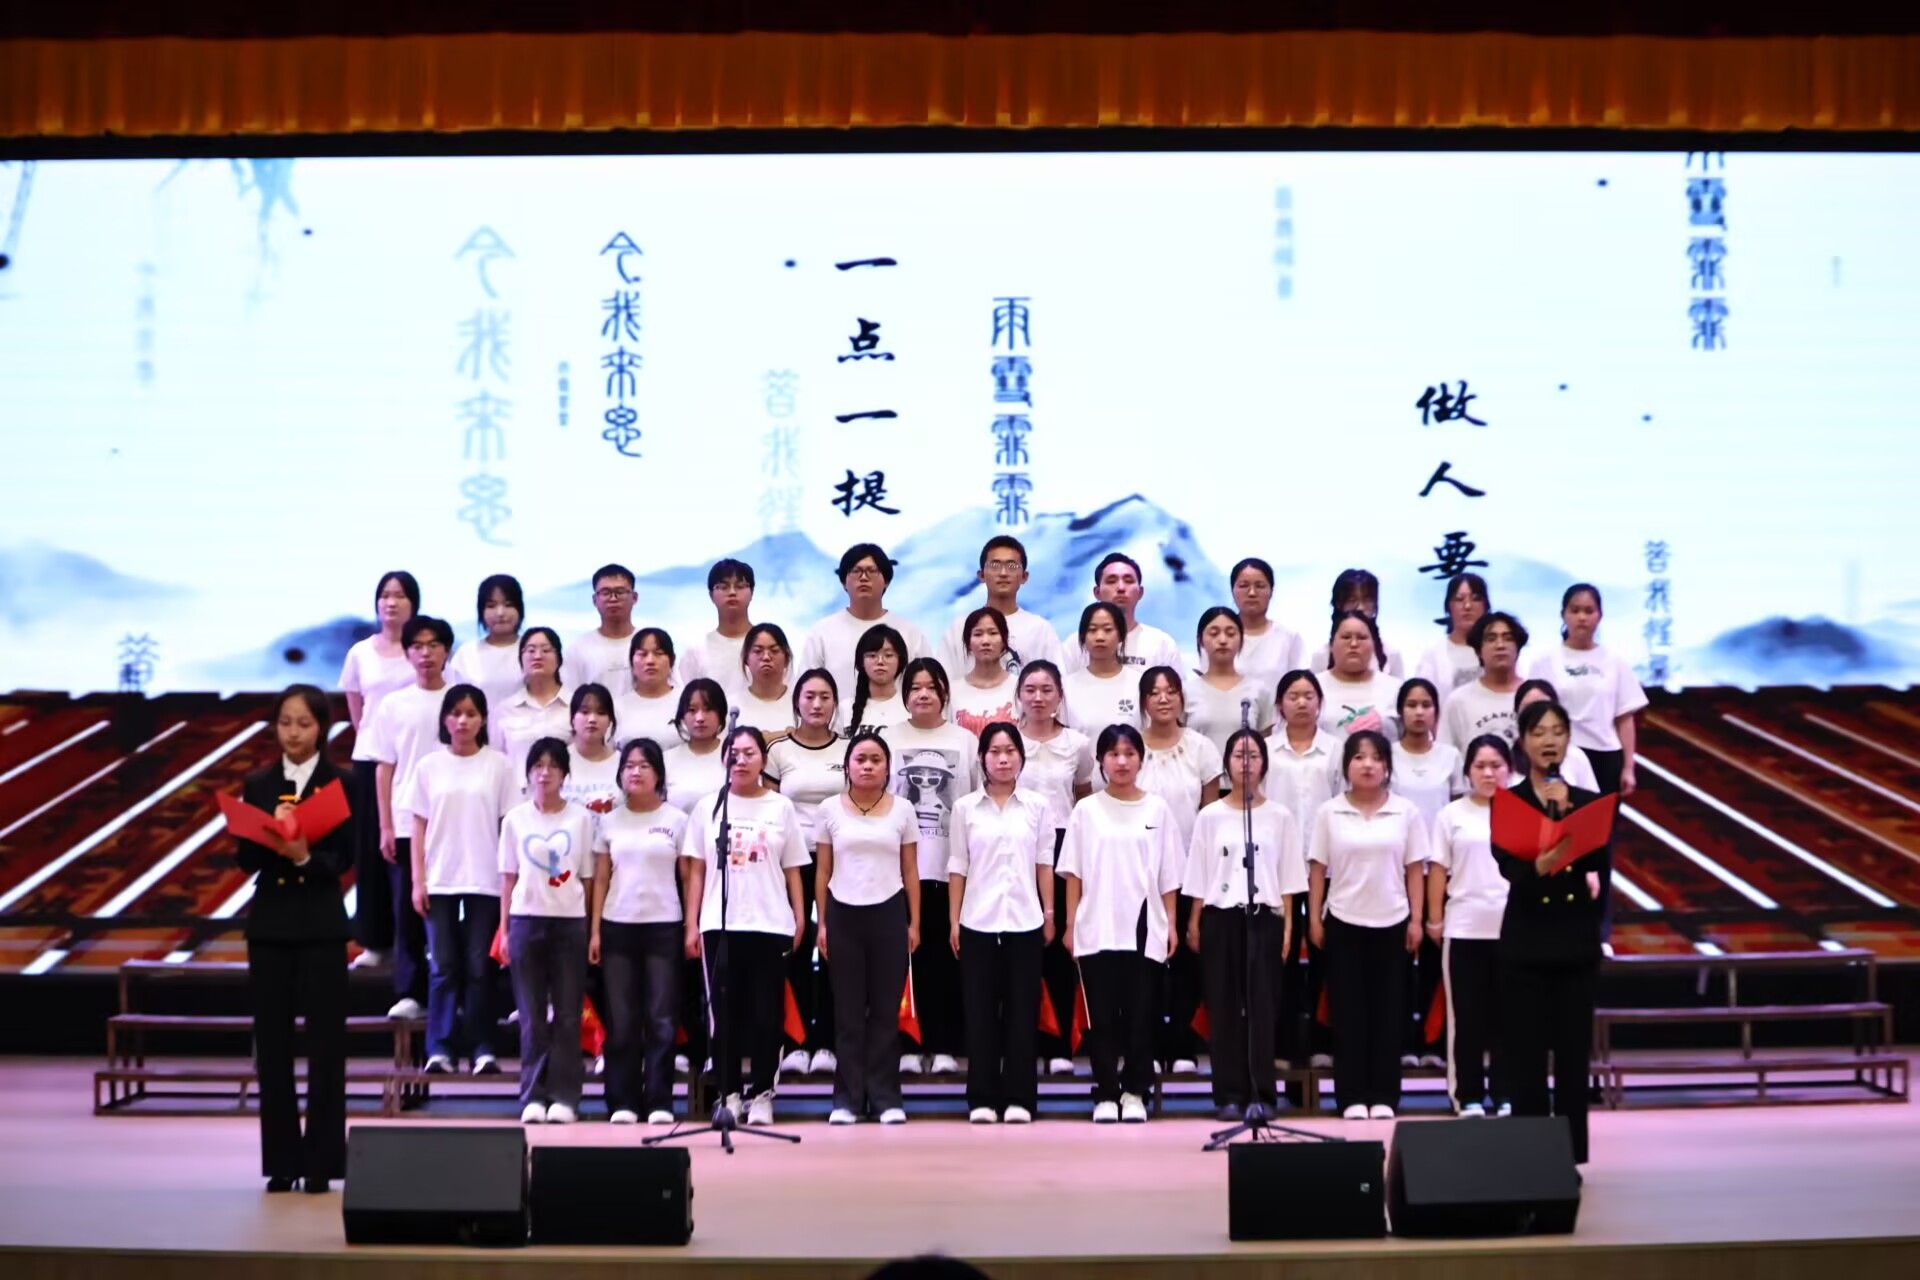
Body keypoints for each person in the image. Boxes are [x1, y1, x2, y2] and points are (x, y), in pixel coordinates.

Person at [236, 685, 352, 1194]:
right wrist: (270, 839)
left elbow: (345, 856)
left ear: (321, 727)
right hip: (270, 927)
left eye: (304, 723)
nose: (294, 733)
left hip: (321, 926)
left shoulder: (341, 783)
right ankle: (282, 1161)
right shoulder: (259, 783)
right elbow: (245, 858)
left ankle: (322, 1161)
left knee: (326, 1047)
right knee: (274, 1047)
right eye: (285, 722)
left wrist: (304, 854)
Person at [1494, 700, 1611, 1164]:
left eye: (1558, 732)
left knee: (1571, 1058)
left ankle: (1568, 1156)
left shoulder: (1586, 801)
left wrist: (1565, 816)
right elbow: (1510, 868)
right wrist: (1544, 857)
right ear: (1523, 742)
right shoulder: (1509, 801)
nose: (1549, 740)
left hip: (1574, 942)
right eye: (1539, 732)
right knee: (1525, 1057)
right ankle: (1531, 1157)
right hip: (1526, 942)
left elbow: (1598, 861)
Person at [680, 726, 809, 1126]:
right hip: (720, 925)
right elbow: (696, 871)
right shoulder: (708, 807)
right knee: (724, 1015)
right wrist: (691, 924)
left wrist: (799, 917)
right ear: (724, 760)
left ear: (763, 761)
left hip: (770, 923)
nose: (740, 760)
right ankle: (729, 1093)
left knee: (767, 1014)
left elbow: (792, 868)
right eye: (733, 753)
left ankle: (763, 1094)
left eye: (749, 753)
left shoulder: (780, 807)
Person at [1057, 724, 1184, 1124]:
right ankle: (1106, 1093)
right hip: (1096, 927)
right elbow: (1074, 873)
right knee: (1102, 1018)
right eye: (1113, 754)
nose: (1122, 761)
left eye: (1130, 753)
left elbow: (1168, 874)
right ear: (1100, 761)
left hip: (1145, 929)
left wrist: (1171, 924)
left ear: (1141, 760)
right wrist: (1071, 924)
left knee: (1142, 1015)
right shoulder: (1086, 810)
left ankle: (1135, 1092)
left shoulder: (1157, 809)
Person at [1183, 729, 1305, 1121]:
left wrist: (1287, 928)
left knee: (1262, 1009)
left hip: (1264, 918)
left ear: (1264, 764)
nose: (1246, 763)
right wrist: (1195, 922)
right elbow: (1199, 875)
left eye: (1253, 756)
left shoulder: (1279, 816)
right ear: (1226, 764)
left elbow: (1289, 879)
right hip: (1220, 917)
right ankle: (1228, 1095)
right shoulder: (1210, 816)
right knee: (1222, 1007)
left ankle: (1262, 1093)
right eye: (1238, 755)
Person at [1308, 730, 1428, 1120]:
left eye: (1376, 757)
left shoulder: (1406, 812)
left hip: (1393, 921)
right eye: (1359, 757)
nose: (1368, 765)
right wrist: (1315, 918)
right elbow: (1318, 870)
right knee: (1348, 1013)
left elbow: (1415, 869)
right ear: (1346, 766)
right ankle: (1351, 1097)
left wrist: (1416, 919)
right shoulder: (1329, 812)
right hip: (1343, 921)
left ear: (1387, 767)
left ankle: (1384, 1096)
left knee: (1388, 1013)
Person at [403, 684, 518, 1075]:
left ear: (483, 719)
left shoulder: (499, 765)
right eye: (455, 713)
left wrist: (511, 882)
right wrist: (418, 881)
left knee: (479, 967)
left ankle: (482, 1047)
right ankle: (440, 1047)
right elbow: (417, 826)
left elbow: (509, 825)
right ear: (444, 720)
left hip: (486, 880)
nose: (463, 721)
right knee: (443, 967)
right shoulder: (428, 767)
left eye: (471, 713)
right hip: (440, 879)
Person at [949, 723, 1057, 1124]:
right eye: (995, 752)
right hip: (977, 921)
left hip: (1025, 922)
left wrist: (1049, 913)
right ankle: (981, 1097)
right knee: (979, 1013)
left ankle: (1020, 1099)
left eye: (1010, 751)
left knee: (1022, 1014)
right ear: (982, 758)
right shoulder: (965, 808)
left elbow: (1044, 863)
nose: (1003, 759)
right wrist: (954, 921)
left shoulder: (1037, 806)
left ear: (1021, 758)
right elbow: (957, 866)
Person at [816, 731, 921, 1124]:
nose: (867, 766)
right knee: (847, 1012)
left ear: (888, 768)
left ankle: (885, 1098)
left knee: (884, 1012)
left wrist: (914, 921)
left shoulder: (903, 810)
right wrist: (822, 923)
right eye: (860, 759)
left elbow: (910, 869)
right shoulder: (829, 809)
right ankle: (847, 1099)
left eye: (876, 760)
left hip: (889, 913)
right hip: (842, 914)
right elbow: (823, 870)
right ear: (847, 766)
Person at [881, 659, 979, 1075]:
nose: (923, 694)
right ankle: (906, 1046)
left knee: (947, 961)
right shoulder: (889, 738)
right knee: (904, 963)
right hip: (899, 872)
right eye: (915, 687)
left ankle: (943, 1047)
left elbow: (975, 803)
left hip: (950, 871)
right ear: (905, 695)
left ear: (944, 693)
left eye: (931, 687)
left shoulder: (965, 741)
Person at [497, 737, 596, 1125]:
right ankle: (533, 1095)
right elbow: (508, 878)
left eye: (553, 766)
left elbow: (587, 877)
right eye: (538, 766)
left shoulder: (580, 819)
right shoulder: (515, 819)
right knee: (532, 1015)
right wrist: (505, 931)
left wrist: (590, 928)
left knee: (568, 1015)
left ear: (565, 774)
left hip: (569, 922)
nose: (545, 773)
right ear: (528, 774)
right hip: (525, 919)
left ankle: (565, 1097)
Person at [591, 738, 688, 1125]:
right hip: (617, 925)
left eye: (644, 765)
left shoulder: (676, 820)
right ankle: (622, 1101)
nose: (636, 772)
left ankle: (660, 1100)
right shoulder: (609, 821)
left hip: (664, 926)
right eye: (629, 766)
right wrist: (595, 931)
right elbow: (600, 879)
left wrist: (691, 925)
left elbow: (687, 878)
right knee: (622, 1019)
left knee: (662, 1018)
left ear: (658, 774)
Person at [359, 613, 451, 1020]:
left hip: (454, 823)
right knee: (407, 910)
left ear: (447, 651)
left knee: (452, 912)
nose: (425, 653)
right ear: (407, 653)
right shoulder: (394, 705)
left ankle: (454, 994)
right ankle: (410, 992)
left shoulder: (462, 702)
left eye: (433, 645)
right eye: (417, 646)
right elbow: (384, 768)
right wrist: (384, 825)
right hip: (403, 820)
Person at [1136, 666, 1223, 1075]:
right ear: (1143, 702)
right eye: (1155, 692)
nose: (1164, 698)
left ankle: (1183, 1045)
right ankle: (1148, 1045)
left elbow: (1212, 816)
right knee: (1146, 963)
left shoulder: (1201, 748)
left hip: (1191, 870)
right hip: (1140, 873)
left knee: (1189, 961)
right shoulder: (1130, 747)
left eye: (1171, 691)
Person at [1425, 734, 1513, 1117]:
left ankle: (1508, 1093)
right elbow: (1437, 870)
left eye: (1496, 765)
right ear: (1467, 773)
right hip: (1464, 929)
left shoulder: (1522, 811)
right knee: (1466, 1018)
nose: (1489, 773)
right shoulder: (1451, 815)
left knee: (1510, 1017)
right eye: (1480, 766)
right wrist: (1434, 918)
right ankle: (1468, 1095)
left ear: (1510, 770)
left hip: (1512, 930)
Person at [1013, 661, 1094, 1075]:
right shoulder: (1007, 741)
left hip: (1064, 847)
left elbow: (1083, 798)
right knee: (1021, 950)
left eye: (1047, 690)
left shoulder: (1078, 744)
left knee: (1062, 948)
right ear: (1019, 696)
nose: (1039, 697)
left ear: (1060, 695)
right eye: (1030, 689)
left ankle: (1061, 1045)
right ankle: (1024, 1043)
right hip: (1017, 846)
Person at [765, 670, 846, 1074]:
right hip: (791, 862)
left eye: (825, 697)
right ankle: (795, 1042)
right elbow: (769, 808)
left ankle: (828, 1042)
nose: (817, 704)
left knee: (835, 949)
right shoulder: (779, 751)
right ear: (796, 701)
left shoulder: (848, 748)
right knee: (793, 947)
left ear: (835, 703)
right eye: (809, 696)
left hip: (840, 860)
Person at [1264, 668, 1343, 1072]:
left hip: (1325, 869)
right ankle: (1282, 1046)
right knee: (1281, 961)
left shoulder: (1336, 750)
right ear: (1279, 705)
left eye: (1308, 695)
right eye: (1292, 696)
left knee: (1325, 959)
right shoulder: (1266, 750)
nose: (1301, 702)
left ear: (1320, 703)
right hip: (1276, 868)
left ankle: (1322, 1042)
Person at [340, 570, 418, 969]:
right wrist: (377, 743)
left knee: (412, 854)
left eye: (400, 595)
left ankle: (415, 944)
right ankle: (375, 942)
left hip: (414, 762)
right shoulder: (360, 653)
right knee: (372, 852)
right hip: (372, 760)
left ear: (414, 604)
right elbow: (358, 711)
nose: (391, 602)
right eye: (385, 595)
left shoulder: (422, 651)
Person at [1390, 677, 1458, 1070]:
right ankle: (1401, 1042)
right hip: (1394, 871)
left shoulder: (1450, 757)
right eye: (1411, 705)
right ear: (1400, 711)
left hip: (1441, 871)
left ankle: (1433, 1043)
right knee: (1397, 964)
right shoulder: (1387, 756)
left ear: (1436, 711)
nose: (1418, 712)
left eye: (1426, 705)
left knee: (1436, 962)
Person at [1527, 584, 1649, 796]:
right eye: (1575, 610)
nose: (1582, 617)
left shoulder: (1615, 661)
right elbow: (1532, 717)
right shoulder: (1543, 661)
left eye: (1589, 611)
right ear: (1563, 615)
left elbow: (1624, 718)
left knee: (1602, 817)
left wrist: (1628, 768)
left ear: (1599, 616)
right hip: (1560, 756)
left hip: (1606, 756)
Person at [800, 543, 929, 708]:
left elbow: (930, 684)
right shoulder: (822, 632)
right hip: (839, 723)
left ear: (887, 581)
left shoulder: (909, 632)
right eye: (856, 571)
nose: (863, 577)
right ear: (843, 582)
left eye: (871, 571)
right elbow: (804, 689)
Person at [935, 535, 1064, 678]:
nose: (1003, 573)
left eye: (1012, 566)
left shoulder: (1040, 630)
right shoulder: (959, 628)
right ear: (981, 575)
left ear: (1024, 576)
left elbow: (1057, 683)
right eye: (995, 566)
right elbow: (943, 682)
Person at [1187, 606, 1275, 755]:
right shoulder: (1186, 692)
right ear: (1200, 640)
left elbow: (1265, 748)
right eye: (1214, 633)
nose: (1222, 640)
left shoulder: (1259, 691)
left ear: (1241, 639)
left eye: (1230, 634)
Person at [1439, 611, 1528, 752]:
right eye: (1491, 639)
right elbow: (1446, 756)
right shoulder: (1458, 701)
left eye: (1508, 638)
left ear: (1518, 648)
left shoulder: (1535, 696)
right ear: (1478, 650)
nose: (1500, 645)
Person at [1084, 552, 1181, 672]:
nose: (1121, 588)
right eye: (1111, 581)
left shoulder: (1162, 645)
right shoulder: (1077, 645)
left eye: (1128, 581)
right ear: (1097, 592)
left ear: (1140, 592)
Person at [676, 558, 758, 701]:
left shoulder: (769, 646)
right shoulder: (696, 651)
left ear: (752, 592)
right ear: (711, 595)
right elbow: (686, 702)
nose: (732, 592)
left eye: (740, 586)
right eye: (723, 587)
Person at [448, 573, 529, 714]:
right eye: (491, 606)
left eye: (508, 605)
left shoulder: (533, 650)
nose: (500, 613)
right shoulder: (467, 653)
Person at [1319, 611, 1403, 742]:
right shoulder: (1313, 687)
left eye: (1362, 638)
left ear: (1373, 645)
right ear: (1331, 645)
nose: (1353, 644)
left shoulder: (1396, 689)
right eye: (1346, 637)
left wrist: (1386, 726)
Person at [494, 627, 569, 773]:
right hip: (517, 787)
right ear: (521, 660)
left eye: (546, 650)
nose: (538, 656)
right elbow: (495, 761)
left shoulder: (575, 706)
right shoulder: (504, 709)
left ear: (559, 659)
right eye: (531, 650)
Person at [1230, 557, 1305, 698]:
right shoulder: (1217, 637)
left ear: (1271, 591)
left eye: (1260, 586)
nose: (1252, 593)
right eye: (1244, 586)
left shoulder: (1288, 638)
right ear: (1232, 590)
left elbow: (1300, 687)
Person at [1307, 569, 1405, 676]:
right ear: (1338, 605)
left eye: (1367, 600)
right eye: (1352, 600)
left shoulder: (1392, 655)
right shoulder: (1321, 656)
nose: (1360, 608)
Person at [1062, 602, 1139, 734]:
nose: (1100, 637)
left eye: (1108, 630)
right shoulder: (1066, 687)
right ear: (1082, 637)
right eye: (1092, 630)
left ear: (1121, 635)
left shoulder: (1139, 683)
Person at [1509, 680, 1600, 790]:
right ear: (1516, 714)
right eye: (1528, 707)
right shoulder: (1505, 758)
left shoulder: (1575, 756)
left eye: (1544, 707)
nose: (1537, 715)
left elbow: (1592, 798)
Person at [1414, 573, 1490, 701]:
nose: (1467, 606)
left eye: (1475, 599)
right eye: (1459, 599)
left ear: (1486, 606)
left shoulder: (1498, 650)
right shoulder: (1433, 655)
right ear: (1448, 607)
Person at [563, 563, 639, 690]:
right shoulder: (578, 649)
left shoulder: (649, 645)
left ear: (634, 597)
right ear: (594, 600)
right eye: (606, 592)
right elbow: (570, 695)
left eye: (620, 592)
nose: (613, 599)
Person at [662, 679, 730, 815]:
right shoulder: (666, 759)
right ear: (683, 716)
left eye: (708, 709)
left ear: (721, 713)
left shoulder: (734, 756)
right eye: (692, 710)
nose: (699, 718)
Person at [948, 606, 1020, 735]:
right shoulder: (953, 692)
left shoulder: (1020, 687)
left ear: (1004, 640)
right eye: (978, 634)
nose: (985, 641)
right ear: (968, 643)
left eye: (993, 633)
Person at [613, 627, 679, 750]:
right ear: (631, 662)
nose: (650, 661)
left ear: (672, 661)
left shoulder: (686, 703)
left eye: (658, 653)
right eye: (642, 654)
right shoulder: (616, 708)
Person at [560, 683, 620, 812]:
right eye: (585, 712)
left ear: (610, 721)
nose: (592, 719)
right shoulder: (558, 761)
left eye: (601, 713)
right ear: (572, 719)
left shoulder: (623, 763)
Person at [844, 623, 911, 736]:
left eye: (888, 655)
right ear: (861, 662)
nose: (880, 661)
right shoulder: (844, 708)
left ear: (900, 661)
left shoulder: (911, 707)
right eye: (872, 655)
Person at [735, 622, 797, 734]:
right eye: (758, 651)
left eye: (774, 650)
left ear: (787, 658)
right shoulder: (732, 707)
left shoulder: (801, 704)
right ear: (746, 659)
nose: (766, 657)